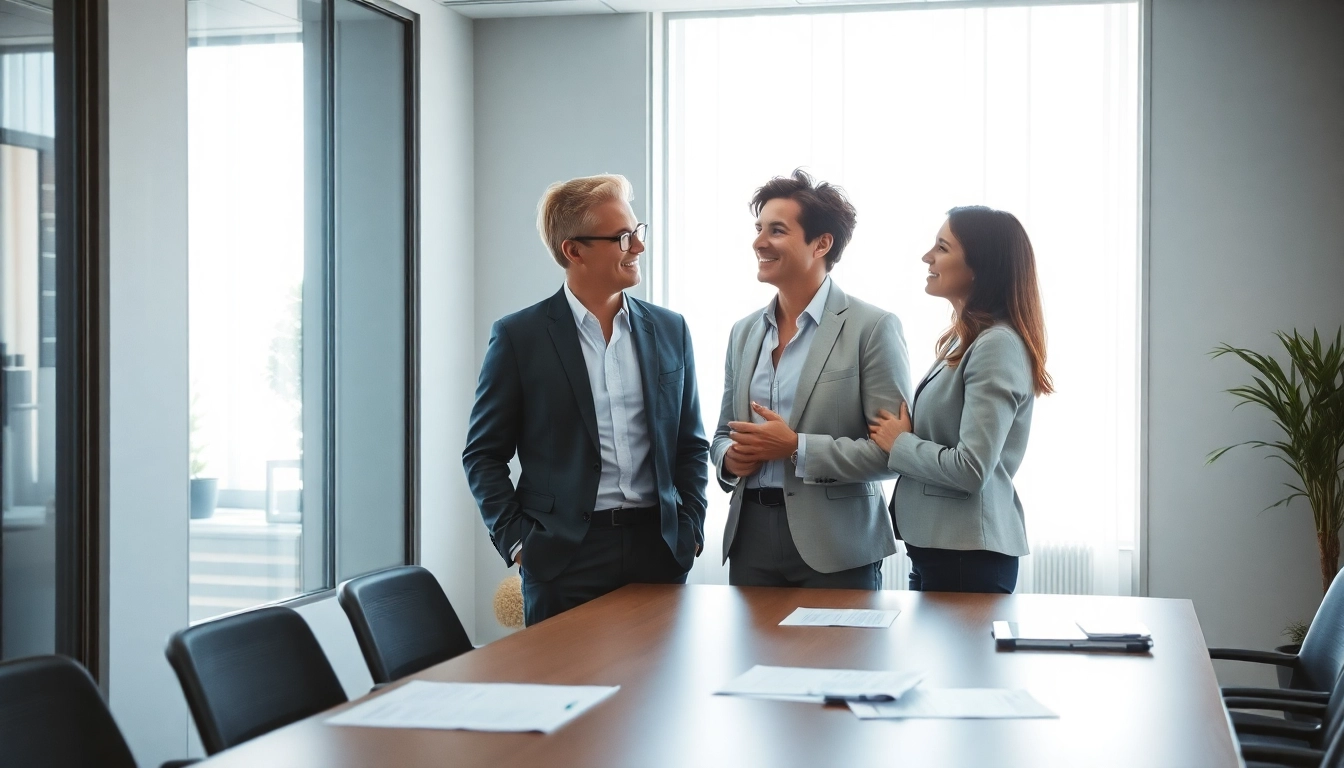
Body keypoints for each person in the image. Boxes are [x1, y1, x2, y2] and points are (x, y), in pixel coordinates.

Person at [463, 174, 709, 625]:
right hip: (564, 557)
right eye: (622, 237)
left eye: (637, 233)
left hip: (659, 550)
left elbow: (690, 445)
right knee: (565, 690)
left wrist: (690, 527)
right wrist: (518, 542)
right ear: (572, 251)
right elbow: (483, 454)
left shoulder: (671, 330)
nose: (638, 247)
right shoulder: (520, 337)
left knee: (656, 689)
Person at [712, 169, 912, 589]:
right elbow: (720, 436)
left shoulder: (871, 327)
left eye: (777, 230)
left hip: (836, 546)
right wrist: (730, 459)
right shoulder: (743, 332)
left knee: (835, 657)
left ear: (822, 243)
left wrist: (795, 448)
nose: (759, 242)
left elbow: (891, 455)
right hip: (749, 542)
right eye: (759, 228)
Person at [869, 206, 1052, 594]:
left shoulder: (996, 345)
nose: (927, 257)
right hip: (941, 551)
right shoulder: (964, 339)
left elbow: (971, 468)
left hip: (968, 557)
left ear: (978, 266)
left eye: (942, 247)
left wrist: (899, 442)